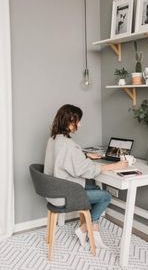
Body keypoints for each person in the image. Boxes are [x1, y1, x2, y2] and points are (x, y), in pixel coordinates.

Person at [44, 104, 128, 248]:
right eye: (78, 121)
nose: (80, 125)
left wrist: (84, 154)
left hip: (52, 191)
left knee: (93, 186)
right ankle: (84, 228)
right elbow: (85, 170)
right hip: (64, 195)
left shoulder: (54, 139)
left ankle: (91, 227)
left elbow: (64, 159)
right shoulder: (68, 145)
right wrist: (116, 166)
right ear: (70, 121)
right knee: (105, 196)